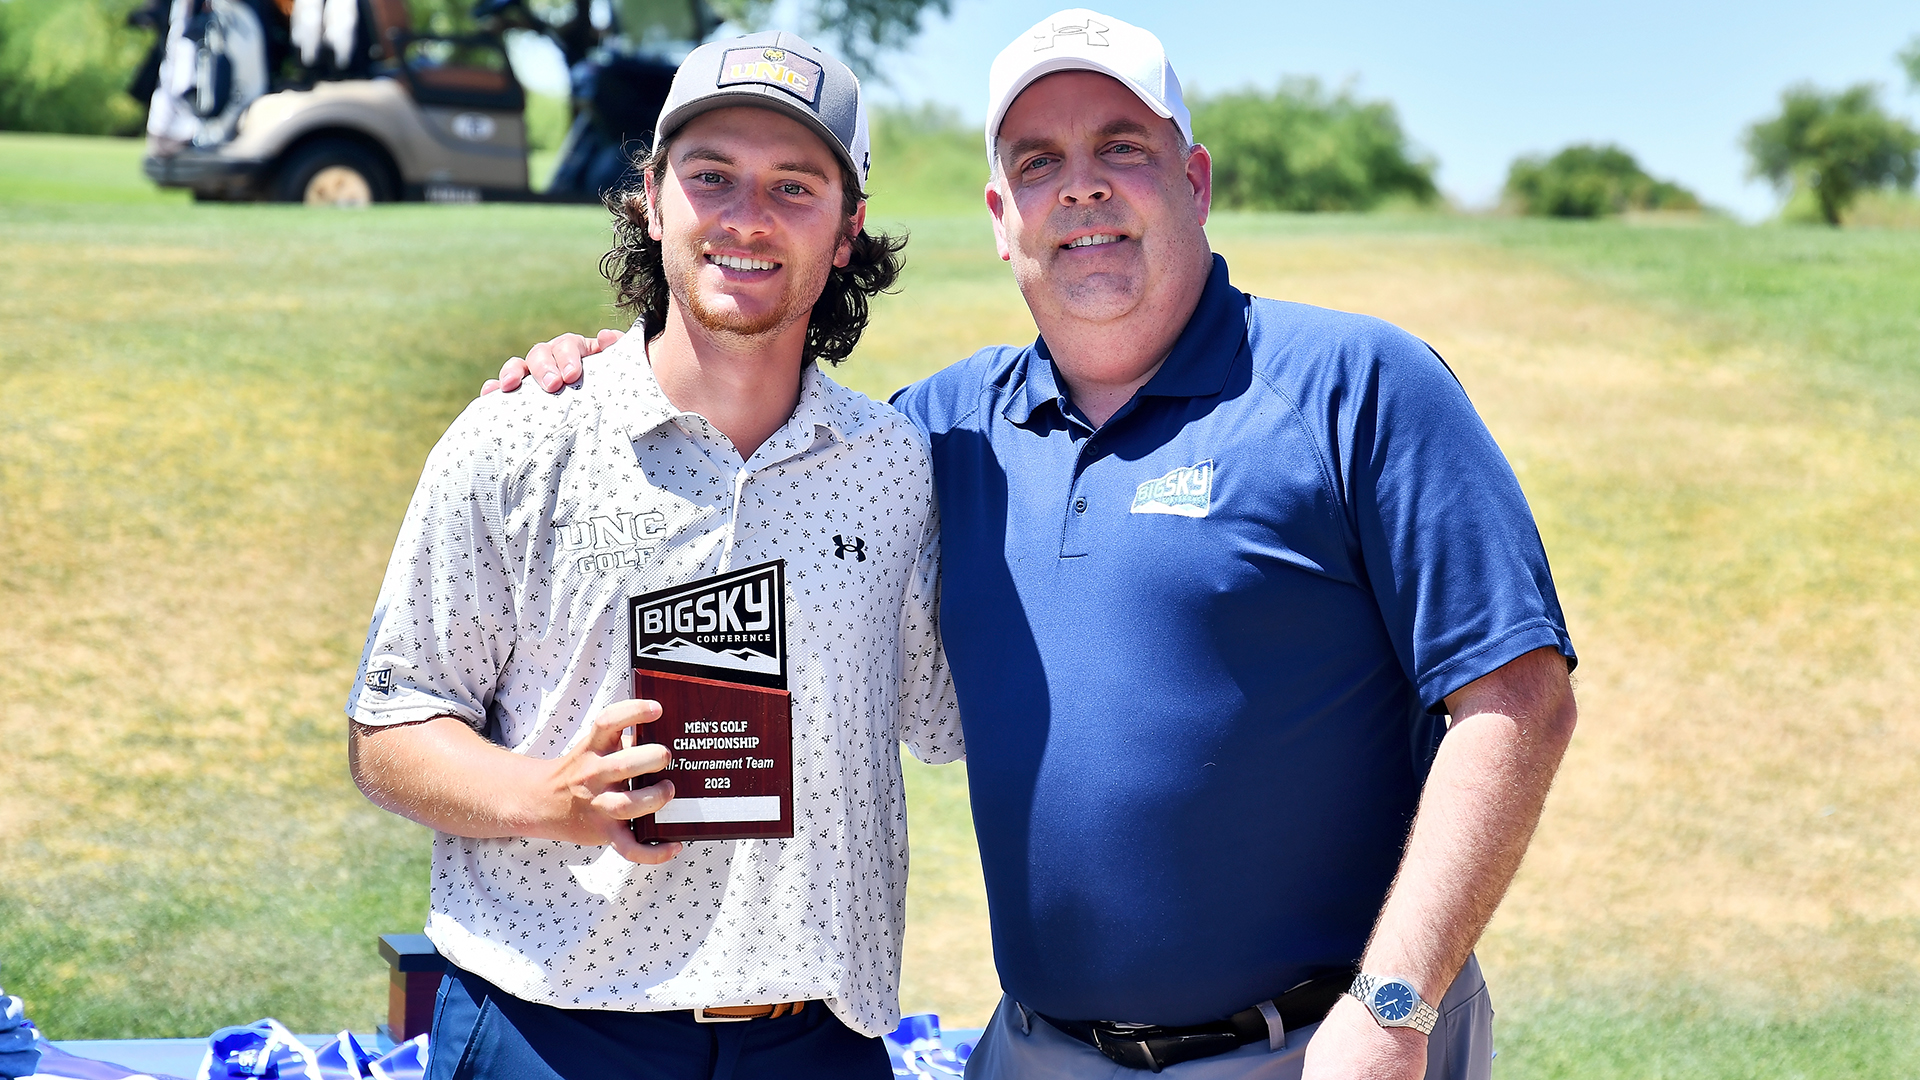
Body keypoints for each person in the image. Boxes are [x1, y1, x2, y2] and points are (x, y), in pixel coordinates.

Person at [496, 10, 1579, 1079]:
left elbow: (1518, 700)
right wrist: (609, 373)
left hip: (1323, 1045)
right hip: (1039, 1051)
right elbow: (754, 440)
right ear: (1001, 215)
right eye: (1040, 161)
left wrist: (1393, 1006)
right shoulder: (934, 433)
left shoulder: (1358, 388)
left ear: (1195, 180)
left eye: (1123, 149)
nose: (1084, 186)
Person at [346, 31, 962, 1080]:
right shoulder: (521, 437)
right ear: (652, 196)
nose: (748, 217)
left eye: (795, 186)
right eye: (711, 176)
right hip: (554, 1029)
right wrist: (548, 797)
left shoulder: (893, 466)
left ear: (850, 228)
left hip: (815, 1040)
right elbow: (390, 728)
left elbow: (947, 719)